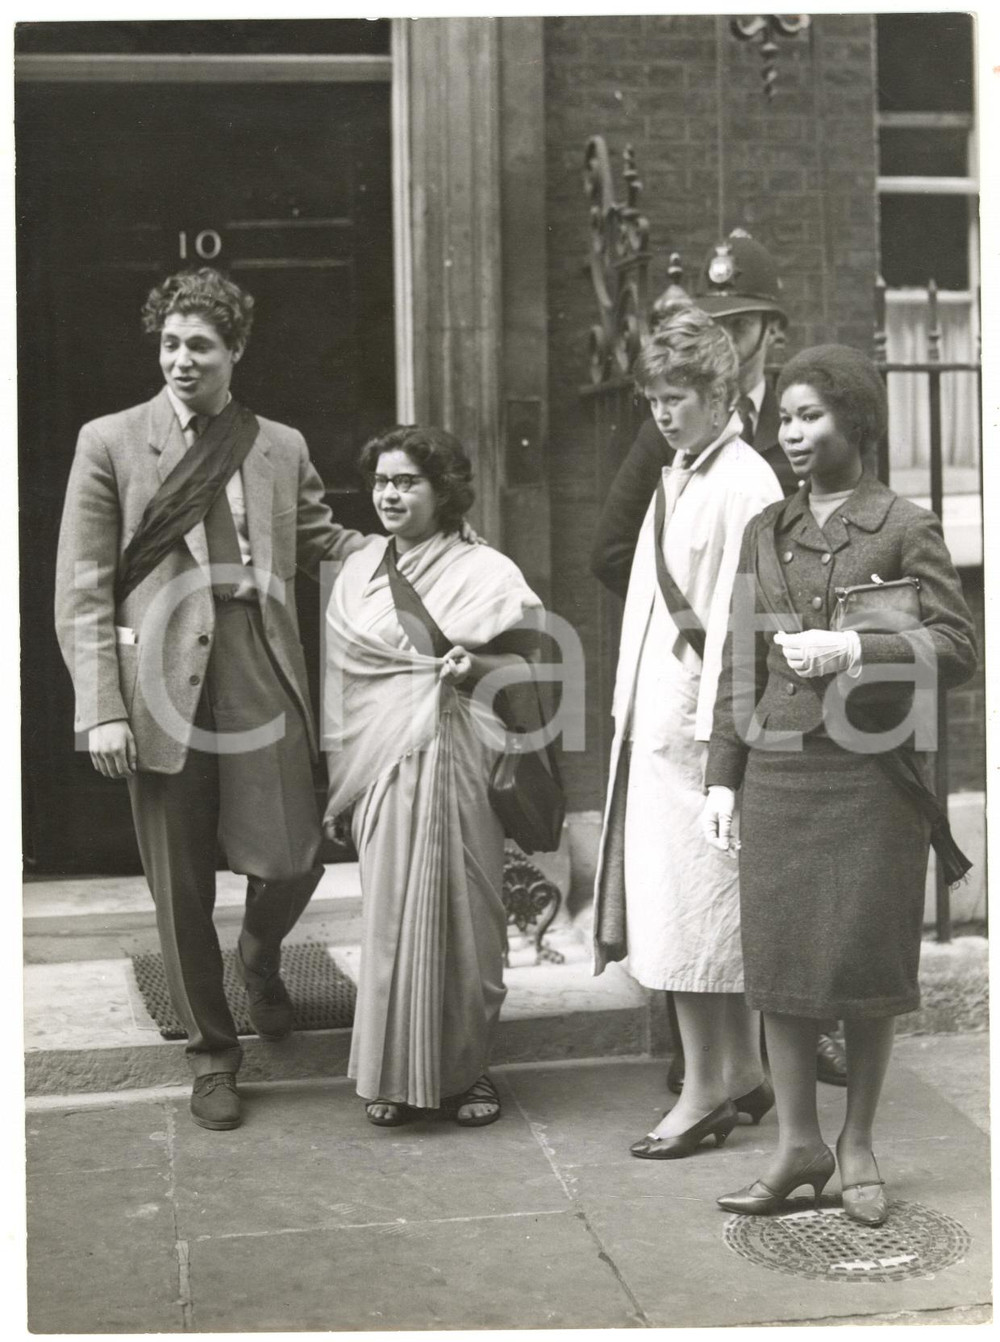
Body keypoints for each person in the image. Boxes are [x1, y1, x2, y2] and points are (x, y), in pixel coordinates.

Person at [54, 267, 367, 1131]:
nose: (182, 361)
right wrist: (100, 706)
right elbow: (80, 588)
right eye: (170, 345)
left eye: (200, 345)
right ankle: (213, 1054)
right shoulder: (110, 441)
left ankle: (261, 954)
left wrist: (423, 545)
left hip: (258, 662)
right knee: (181, 883)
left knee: (300, 850)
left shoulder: (278, 445)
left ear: (235, 352)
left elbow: (324, 540)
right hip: (157, 682)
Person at [702, 344, 977, 1221]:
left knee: (862, 964)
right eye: (783, 418)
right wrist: (720, 780)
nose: (792, 434)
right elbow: (739, 662)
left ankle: (856, 1143)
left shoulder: (903, 523)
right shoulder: (765, 531)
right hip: (782, 774)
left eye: (811, 416)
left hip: (873, 778)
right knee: (780, 966)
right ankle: (795, 1146)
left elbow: (959, 650)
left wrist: (861, 647)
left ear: (854, 421)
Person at [592, 231, 849, 1091]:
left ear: (768, 334)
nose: (726, 338)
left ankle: (766, 1059)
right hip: (702, 687)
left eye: (739, 324)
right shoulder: (681, 445)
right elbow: (618, 551)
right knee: (697, 895)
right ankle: (712, 1071)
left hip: (785, 678)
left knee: (758, 888)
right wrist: (688, 646)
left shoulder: (797, 426)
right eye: (714, 321)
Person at [591, 306, 783, 1159]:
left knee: (699, 919)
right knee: (679, 912)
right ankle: (738, 1071)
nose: (664, 413)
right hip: (662, 722)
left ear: (720, 392)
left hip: (705, 732)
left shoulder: (746, 483)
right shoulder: (682, 471)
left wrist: (721, 747)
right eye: (655, 397)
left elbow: (750, 628)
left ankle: (705, 1091)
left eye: (679, 396)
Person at [323, 425, 543, 1129]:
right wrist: (343, 774)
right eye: (382, 481)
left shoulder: (489, 573)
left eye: (406, 481)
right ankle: (391, 1075)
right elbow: (345, 680)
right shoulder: (358, 573)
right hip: (384, 767)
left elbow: (528, 672)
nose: (389, 493)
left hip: (459, 760)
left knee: (467, 922)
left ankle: (468, 1073)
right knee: (389, 921)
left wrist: (472, 669)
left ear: (443, 490)